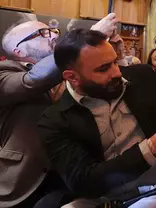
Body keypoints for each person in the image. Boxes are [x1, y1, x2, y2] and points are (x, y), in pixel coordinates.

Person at [38, 29, 156, 207]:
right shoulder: (55, 120)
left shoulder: (143, 77)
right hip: (99, 197)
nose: (117, 73)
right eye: (103, 68)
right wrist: (151, 146)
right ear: (73, 77)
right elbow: (83, 182)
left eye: (114, 62)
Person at [0, 14, 117, 208]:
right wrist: (90, 36)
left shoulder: (67, 71)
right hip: (21, 180)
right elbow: (32, 81)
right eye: (42, 33)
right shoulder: (4, 72)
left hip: (68, 175)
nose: (53, 36)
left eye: (53, 31)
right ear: (18, 50)